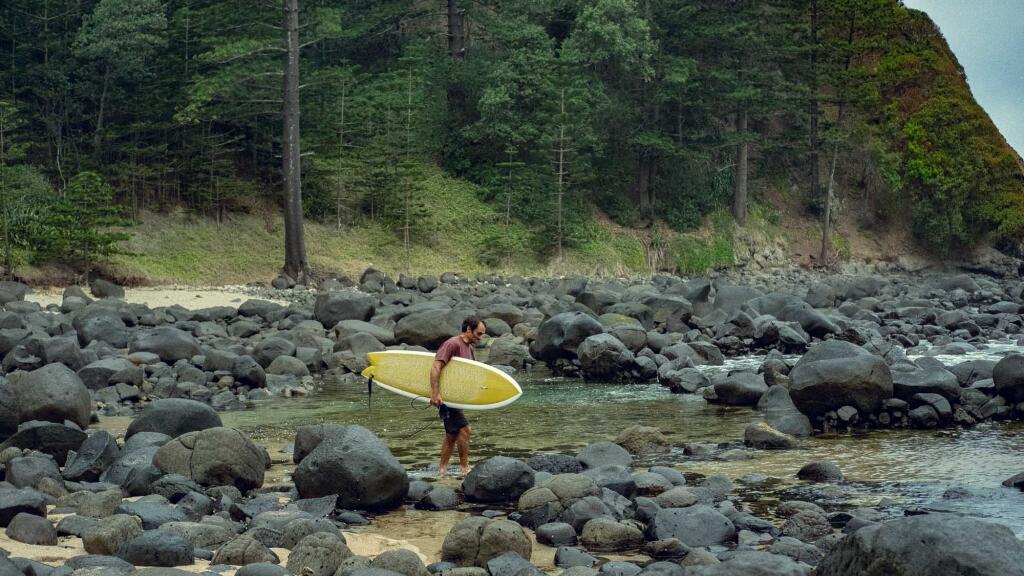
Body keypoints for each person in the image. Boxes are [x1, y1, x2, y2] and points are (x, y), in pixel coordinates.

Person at [430, 317, 486, 477]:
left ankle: (442, 470)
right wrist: (435, 393)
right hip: (446, 397)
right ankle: (464, 468)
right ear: (468, 329)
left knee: (452, 434)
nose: (480, 337)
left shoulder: (470, 348)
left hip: (457, 397)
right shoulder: (452, 344)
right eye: (479, 333)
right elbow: (436, 366)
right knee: (465, 429)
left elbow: (470, 372)